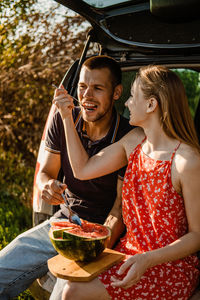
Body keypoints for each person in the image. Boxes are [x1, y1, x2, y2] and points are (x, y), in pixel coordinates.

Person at [53, 65, 200, 300]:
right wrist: (66, 117)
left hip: (168, 266)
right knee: (69, 288)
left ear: (151, 105)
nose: (128, 103)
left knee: (73, 292)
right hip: (128, 254)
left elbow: (197, 235)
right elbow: (82, 170)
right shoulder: (133, 142)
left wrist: (147, 259)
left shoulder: (186, 160)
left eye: (133, 96)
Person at [0, 55, 133, 299]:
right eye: (82, 87)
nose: (87, 96)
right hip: (63, 221)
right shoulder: (63, 120)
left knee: (63, 293)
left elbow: (119, 210)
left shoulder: (128, 136)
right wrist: (46, 186)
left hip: (106, 234)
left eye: (98, 88)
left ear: (116, 93)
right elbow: (45, 172)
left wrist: (97, 246)